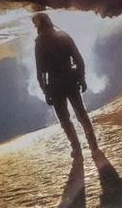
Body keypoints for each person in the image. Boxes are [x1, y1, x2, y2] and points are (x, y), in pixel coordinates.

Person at [32, 10, 108, 171]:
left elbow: (40, 72)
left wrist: (45, 91)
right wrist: (82, 78)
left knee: (65, 120)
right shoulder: (63, 36)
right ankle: (94, 146)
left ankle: (76, 149)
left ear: (38, 25)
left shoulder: (40, 43)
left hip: (54, 85)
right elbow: (78, 59)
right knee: (82, 115)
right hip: (70, 79)